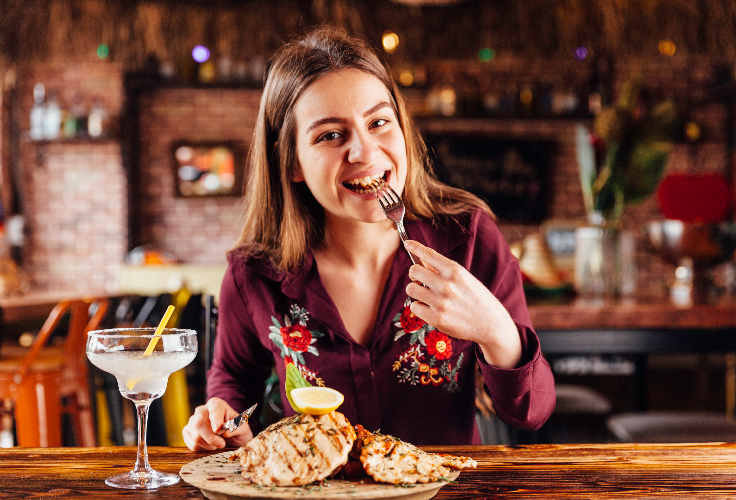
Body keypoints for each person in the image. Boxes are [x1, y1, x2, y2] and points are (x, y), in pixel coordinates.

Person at [182, 26, 555, 451]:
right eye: (330, 135)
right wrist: (219, 419)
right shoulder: (253, 274)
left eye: (378, 122)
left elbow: (531, 412)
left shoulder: (468, 238)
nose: (364, 151)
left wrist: (495, 331)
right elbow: (232, 385)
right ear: (290, 163)